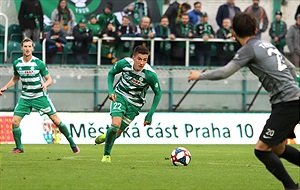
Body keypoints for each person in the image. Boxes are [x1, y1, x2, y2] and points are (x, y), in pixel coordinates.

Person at [188, 12, 300, 190]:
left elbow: (225, 72)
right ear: (256, 29)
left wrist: (199, 75)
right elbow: (292, 68)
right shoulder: (266, 44)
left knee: (261, 150)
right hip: (294, 99)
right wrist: (292, 88)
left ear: (233, 32)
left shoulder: (248, 49)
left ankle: (291, 187)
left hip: (287, 104)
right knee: (278, 149)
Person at [0, 38, 80, 154]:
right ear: (21, 48)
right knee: (14, 122)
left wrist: (45, 84)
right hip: (25, 98)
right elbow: (15, 78)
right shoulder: (17, 63)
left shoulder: (38, 63)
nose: (27, 49)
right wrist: (5, 87)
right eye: (25, 46)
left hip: (39, 96)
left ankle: (73, 144)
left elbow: (49, 79)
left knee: (56, 121)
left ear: (33, 48)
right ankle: (19, 147)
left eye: (29, 46)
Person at [95, 45, 162, 163]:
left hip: (135, 105)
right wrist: (111, 91)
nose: (142, 62)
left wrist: (150, 114)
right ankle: (106, 155)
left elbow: (158, 93)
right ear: (133, 57)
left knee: (117, 133)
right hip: (120, 96)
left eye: (145, 60)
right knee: (115, 124)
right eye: (139, 59)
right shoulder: (124, 63)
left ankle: (106, 136)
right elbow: (111, 73)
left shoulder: (150, 74)